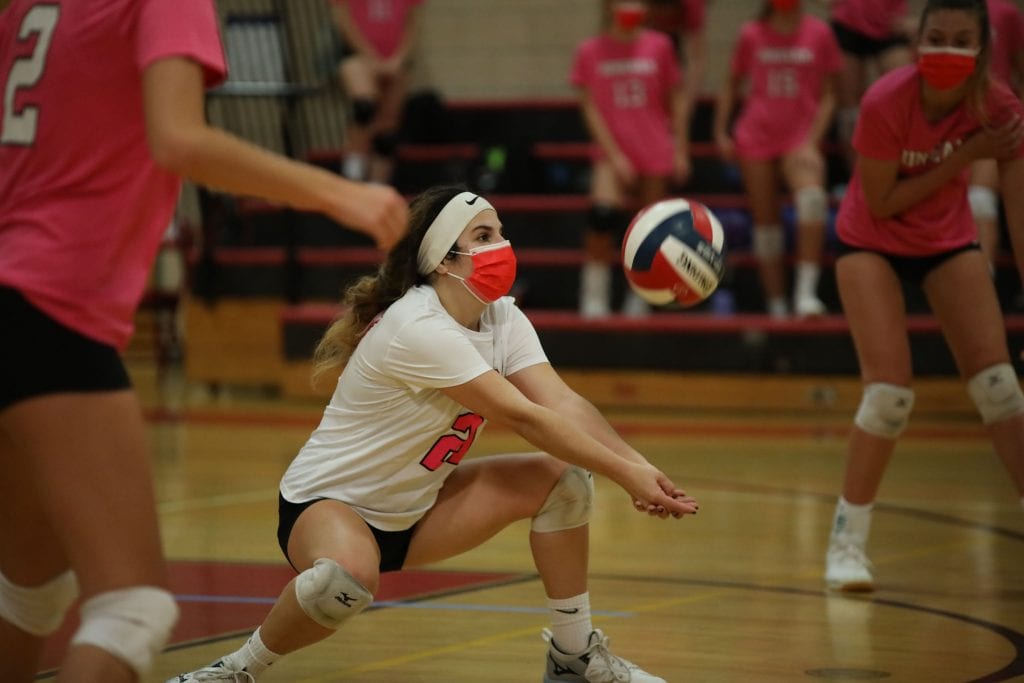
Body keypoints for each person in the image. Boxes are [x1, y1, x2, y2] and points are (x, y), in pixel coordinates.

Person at [0, 0, 408, 680]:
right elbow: (181, 140)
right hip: (52, 302)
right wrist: (341, 194)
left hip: (13, 288)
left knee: (28, 589)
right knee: (131, 610)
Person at [167, 184, 698, 683]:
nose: (502, 246)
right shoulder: (417, 327)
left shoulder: (501, 318)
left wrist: (640, 467)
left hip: (417, 510)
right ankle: (236, 669)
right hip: (328, 505)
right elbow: (526, 418)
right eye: (483, 237)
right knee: (341, 583)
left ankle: (574, 656)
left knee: (564, 481)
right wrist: (628, 477)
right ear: (444, 259)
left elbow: (560, 402)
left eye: (502, 232)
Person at [823, 0, 1024, 593]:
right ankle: (846, 543)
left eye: (962, 39)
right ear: (917, 41)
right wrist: (965, 156)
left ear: (983, 48)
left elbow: (1016, 207)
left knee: (999, 387)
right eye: (935, 36)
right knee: (888, 395)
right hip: (870, 239)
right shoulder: (887, 100)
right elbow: (883, 201)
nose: (946, 49)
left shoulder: (999, 107)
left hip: (947, 239)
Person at [714, 0, 843, 318]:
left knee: (812, 201)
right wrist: (720, 130)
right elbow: (731, 85)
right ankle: (777, 304)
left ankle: (805, 294)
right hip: (756, 136)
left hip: (800, 138)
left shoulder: (820, 32)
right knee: (766, 224)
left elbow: (830, 95)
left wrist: (812, 141)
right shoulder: (751, 33)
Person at [571, 0, 692, 319]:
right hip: (613, 152)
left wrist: (679, 147)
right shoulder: (590, 50)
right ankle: (594, 296)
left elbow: (675, 97)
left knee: (649, 230)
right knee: (601, 216)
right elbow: (589, 107)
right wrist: (614, 155)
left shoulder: (660, 45)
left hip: (654, 146)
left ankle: (638, 296)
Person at [332, 0, 423, 184]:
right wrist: (369, 56)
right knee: (364, 109)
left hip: (395, 61)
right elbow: (342, 18)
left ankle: (377, 187)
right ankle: (352, 179)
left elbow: (413, 22)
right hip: (358, 56)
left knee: (387, 135)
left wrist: (399, 57)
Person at [820, 0, 915, 175]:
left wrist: (920, 22)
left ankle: (903, 173)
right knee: (849, 110)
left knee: (904, 97)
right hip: (847, 23)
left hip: (891, 25)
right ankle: (858, 178)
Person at [968, 0, 1024, 266]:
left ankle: (984, 283)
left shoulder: (1006, 12)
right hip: (951, 120)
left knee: (979, 198)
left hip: (996, 118)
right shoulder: (944, 9)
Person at [645, 0, 708, 147]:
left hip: (677, 47)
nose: (663, 15)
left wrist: (684, 113)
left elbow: (696, 61)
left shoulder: (693, 5)